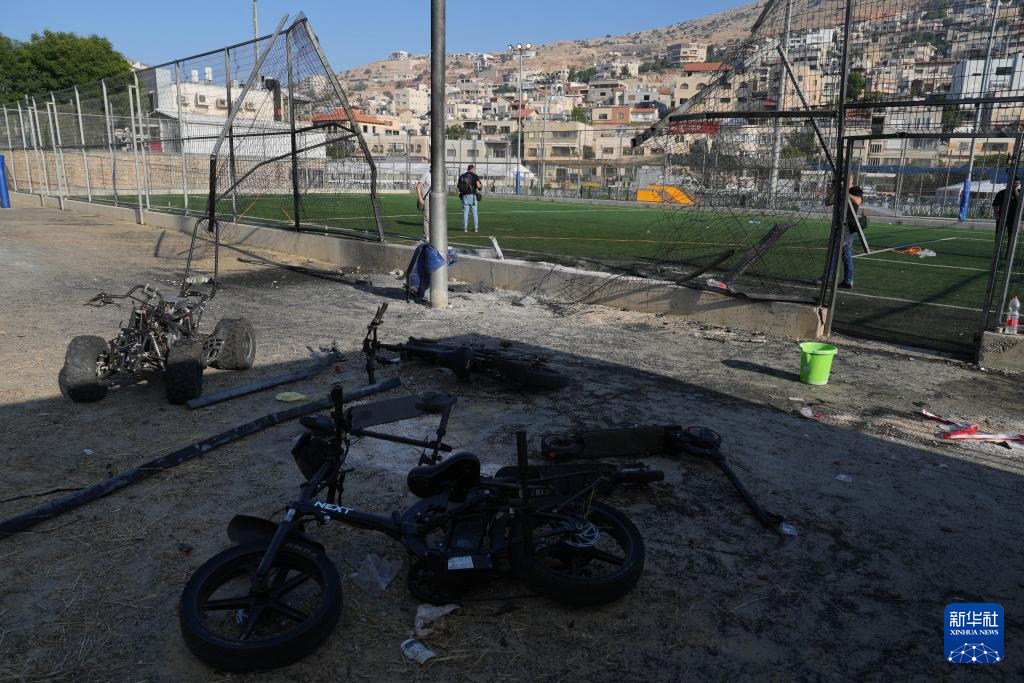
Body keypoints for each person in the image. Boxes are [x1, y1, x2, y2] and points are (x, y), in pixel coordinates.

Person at [822, 185, 865, 289]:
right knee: (846, 254)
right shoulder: (841, 192)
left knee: (834, 251)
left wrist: (846, 192)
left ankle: (827, 278)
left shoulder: (855, 190)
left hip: (847, 226)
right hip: (840, 225)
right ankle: (848, 280)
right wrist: (832, 192)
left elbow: (858, 201)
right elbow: (827, 202)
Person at [993, 177, 1022, 259]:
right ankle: (997, 254)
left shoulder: (1019, 192)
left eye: (1018, 183)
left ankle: (1008, 255)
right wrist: (997, 217)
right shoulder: (1002, 193)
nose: (1016, 185)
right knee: (999, 236)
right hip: (1002, 218)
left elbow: (1020, 202)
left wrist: (1015, 190)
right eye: (1015, 183)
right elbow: (995, 205)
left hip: (1013, 219)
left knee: (1011, 237)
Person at [458, 164, 482, 233]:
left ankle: (465, 228)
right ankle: (475, 228)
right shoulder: (475, 176)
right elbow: (478, 186)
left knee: (465, 213)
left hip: (464, 196)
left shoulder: (462, 176)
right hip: (473, 196)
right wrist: (480, 187)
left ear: (467, 169)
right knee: (474, 213)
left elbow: (459, 187)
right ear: (473, 169)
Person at [416, 168, 431, 242]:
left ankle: (434, 234)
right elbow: (418, 186)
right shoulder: (426, 174)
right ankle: (426, 236)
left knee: (435, 218)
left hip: (436, 200)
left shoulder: (439, 175)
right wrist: (420, 198)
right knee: (427, 217)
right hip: (427, 198)